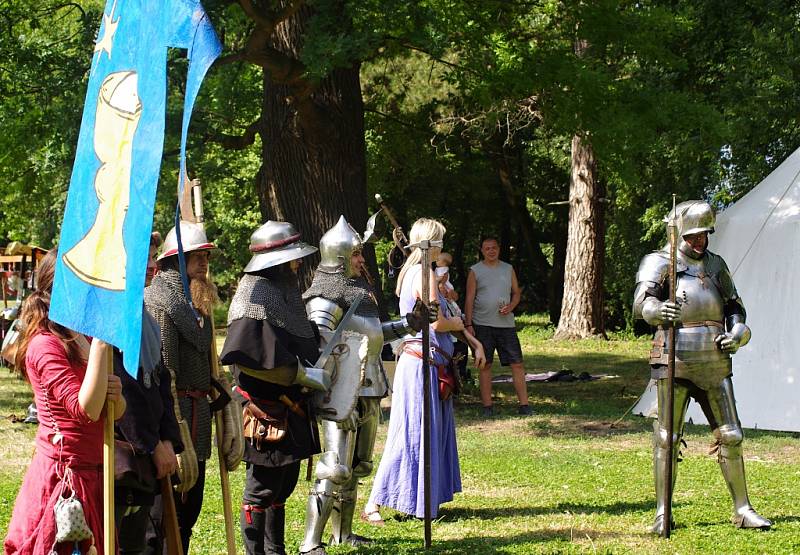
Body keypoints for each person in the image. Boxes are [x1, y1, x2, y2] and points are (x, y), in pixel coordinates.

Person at [633, 200, 771, 534]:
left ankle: (743, 509)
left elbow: (736, 309)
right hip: (673, 356)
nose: (699, 242)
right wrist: (656, 310)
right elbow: (641, 304)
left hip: (713, 358)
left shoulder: (716, 265)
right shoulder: (659, 262)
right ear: (680, 232)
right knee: (667, 437)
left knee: (732, 435)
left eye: (704, 235)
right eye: (693, 235)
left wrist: (736, 333)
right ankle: (662, 514)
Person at [299, 215, 435, 554]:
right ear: (341, 257)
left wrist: (409, 323)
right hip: (342, 390)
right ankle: (310, 542)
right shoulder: (324, 299)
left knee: (357, 466)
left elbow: (372, 334)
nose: (363, 260)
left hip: (370, 385)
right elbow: (321, 352)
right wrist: (334, 399)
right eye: (357, 254)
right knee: (334, 467)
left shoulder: (358, 291)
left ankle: (342, 534)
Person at [364, 218, 486, 522]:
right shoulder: (423, 275)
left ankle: (419, 500)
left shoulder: (416, 273)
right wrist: (456, 324)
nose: (442, 246)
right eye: (440, 241)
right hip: (421, 363)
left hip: (423, 361)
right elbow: (435, 323)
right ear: (432, 244)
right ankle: (376, 502)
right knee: (411, 432)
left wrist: (468, 336)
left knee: (419, 431)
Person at [4, 250, 126, 555]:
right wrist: (101, 340)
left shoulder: (82, 337)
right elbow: (84, 410)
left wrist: (117, 395)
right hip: (64, 480)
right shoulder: (43, 344)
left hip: (93, 473)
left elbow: (112, 412)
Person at [219, 221, 324, 555]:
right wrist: (298, 375)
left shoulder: (284, 291)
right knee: (261, 490)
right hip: (266, 411)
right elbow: (246, 357)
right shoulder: (255, 294)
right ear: (275, 260)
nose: (297, 264)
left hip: (291, 408)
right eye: (292, 258)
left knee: (283, 486)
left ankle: (274, 550)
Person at [143, 221, 219, 552]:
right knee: (165, 517)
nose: (204, 262)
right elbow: (165, 372)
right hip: (176, 419)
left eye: (205, 255)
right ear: (177, 260)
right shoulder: (161, 301)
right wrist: (172, 433)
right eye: (197, 256)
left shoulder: (191, 301)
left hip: (196, 414)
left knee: (188, 514)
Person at [114, 231, 183, 555]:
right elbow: (122, 387)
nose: (152, 265)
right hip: (122, 456)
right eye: (144, 258)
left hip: (150, 449)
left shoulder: (145, 317)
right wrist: (153, 444)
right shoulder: (110, 320)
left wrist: (168, 438)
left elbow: (160, 381)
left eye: (153, 257)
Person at [464, 236, 531, 416]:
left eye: (494, 248)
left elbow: (516, 293)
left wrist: (511, 306)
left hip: (506, 325)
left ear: (499, 249)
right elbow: (469, 298)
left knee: (517, 363)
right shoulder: (475, 270)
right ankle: (487, 406)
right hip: (482, 323)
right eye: (487, 248)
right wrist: (468, 323)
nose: (491, 251)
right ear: (482, 250)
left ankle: (524, 405)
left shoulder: (508, 269)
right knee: (485, 364)